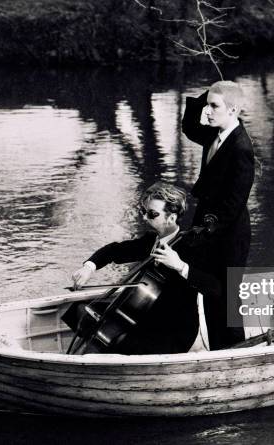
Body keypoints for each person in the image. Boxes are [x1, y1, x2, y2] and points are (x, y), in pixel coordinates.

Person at [65, 182, 220, 355]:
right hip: (143, 314)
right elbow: (114, 250)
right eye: (144, 212)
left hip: (172, 329)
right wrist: (89, 267)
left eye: (152, 214)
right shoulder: (151, 240)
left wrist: (181, 266)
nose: (145, 218)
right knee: (78, 310)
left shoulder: (191, 247)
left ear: (172, 218)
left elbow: (214, 287)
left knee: (120, 341)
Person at [182, 80, 255, 350]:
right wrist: (209, 93)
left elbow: (232, 206)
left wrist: (200, 234)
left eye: (214, 106)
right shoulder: (214, 134)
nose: (208, 112)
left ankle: (237, 355)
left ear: (233, 110)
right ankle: (218, 353)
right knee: (212, 294)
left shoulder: (241, 149)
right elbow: (189, 126)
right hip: (210, 231)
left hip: (230, 236)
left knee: (227, 300)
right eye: (208, 105)